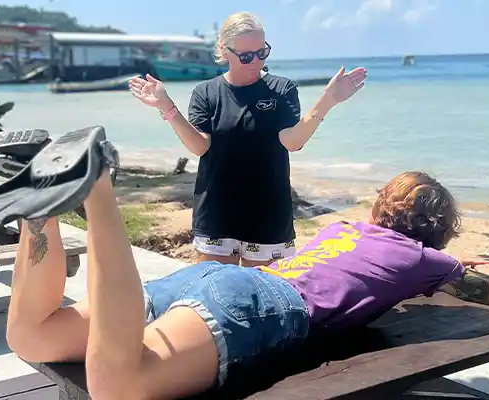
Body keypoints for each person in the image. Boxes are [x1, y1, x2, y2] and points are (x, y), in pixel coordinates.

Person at [5, 169, 489, 400]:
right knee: (118, 388)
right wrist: (460, 267)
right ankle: (98, 191)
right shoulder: (424, 259)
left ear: (381, 207)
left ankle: (39, 212)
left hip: (217, 277)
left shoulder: (346, 228)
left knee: (34, 336)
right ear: (438, 230)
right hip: (261, 306)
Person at [128, 12, 368, 266]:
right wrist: (166, 106)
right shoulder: (206, 92)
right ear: (224, 51)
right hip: (216, 217)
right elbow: (200, 145)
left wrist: (328, 99)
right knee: (217, 299)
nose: (256, 62)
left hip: (269, 216)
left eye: (262, 52)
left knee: (265, 302)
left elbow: (293, 141)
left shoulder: (282, 89)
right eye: (246, 56)